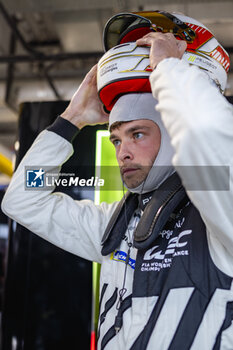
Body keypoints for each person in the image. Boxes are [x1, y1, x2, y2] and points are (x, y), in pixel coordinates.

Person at [2, 13, 233, 350]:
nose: (122, 152)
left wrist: (169, 70)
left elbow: (209, 140)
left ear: (173, 133)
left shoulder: (220, 215)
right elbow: (23, 198)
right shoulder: (116, 225)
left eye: (137, 134)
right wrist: (71, 120)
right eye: (116, 139)